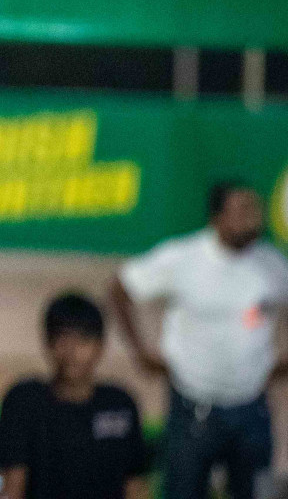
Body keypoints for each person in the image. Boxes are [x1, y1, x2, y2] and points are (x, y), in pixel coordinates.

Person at [110, 181, 288, 499]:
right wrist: (141, 352)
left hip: (252, 410)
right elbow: (120, 289)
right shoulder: (183, 258)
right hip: (192, 409)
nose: (253, 218)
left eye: (255, 209)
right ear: (217, 218)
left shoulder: (272, 265)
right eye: (242, 210)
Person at [0, 293, 150, 499]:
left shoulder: (120, 405)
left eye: (83, 339)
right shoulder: (24, 401)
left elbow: (134, 485)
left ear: (101, 345)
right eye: (63, 338)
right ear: (48, 342)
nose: (72, 350)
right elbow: (13, 486)